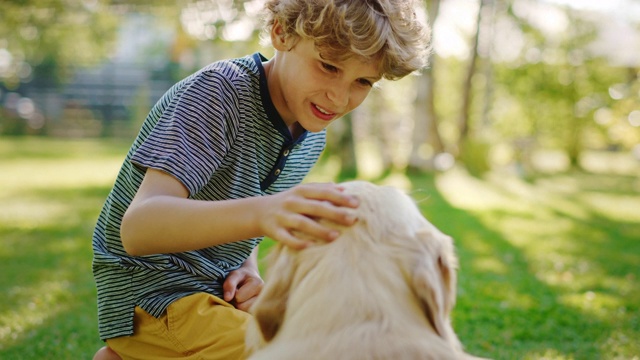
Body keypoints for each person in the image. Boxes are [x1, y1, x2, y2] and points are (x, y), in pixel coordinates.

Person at [92, 0, 431, 359]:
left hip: (215, 292)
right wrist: (265, 211)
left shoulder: (311, 129)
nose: (340, 97)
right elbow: (138, 229)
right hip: (155, 293)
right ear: (281, 33)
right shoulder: (219, 94)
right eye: (328, 66)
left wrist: (246, 267)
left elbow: (248, 202)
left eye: (363, 81)